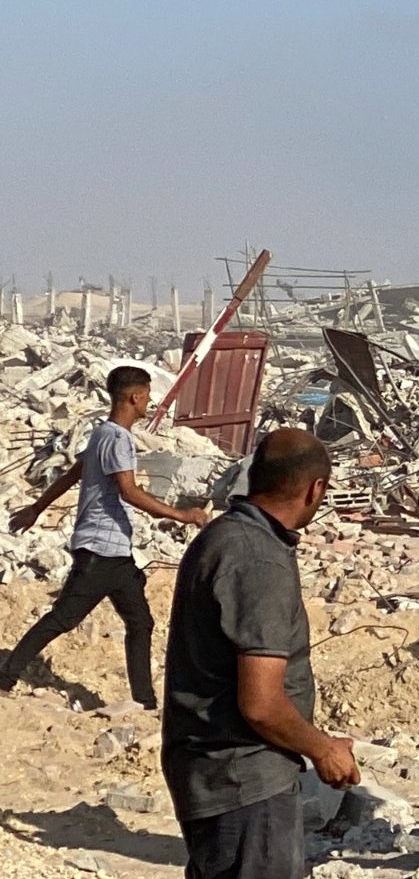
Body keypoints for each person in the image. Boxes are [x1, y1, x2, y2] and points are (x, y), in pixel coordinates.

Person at [162, 429, 356, 879]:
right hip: (244, 782)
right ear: (316, 489)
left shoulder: (224, 536)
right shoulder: (258, 560)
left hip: (209, 772)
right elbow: (262, 704)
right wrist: (322, 750)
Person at [3, 364, 208, 707]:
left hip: (116, 554)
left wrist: (37, 508)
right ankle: (6, 676)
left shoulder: (101, 434)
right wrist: (181, 515)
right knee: (64, 618)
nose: (150, 402)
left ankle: (144, 702)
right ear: (134, 396)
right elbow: (128, 491)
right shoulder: (118, 438)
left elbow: (74, 474)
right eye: (147, 396)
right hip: (99, 550)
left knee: (141, 622)